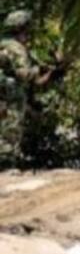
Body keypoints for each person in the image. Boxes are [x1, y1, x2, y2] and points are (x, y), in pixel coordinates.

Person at [0, 11, 35, 166]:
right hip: (12, 95)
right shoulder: (17, 48)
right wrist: (37, 71)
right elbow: (24, 74)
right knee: (11, 127)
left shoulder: (2, 43)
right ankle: (6, 163)